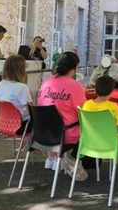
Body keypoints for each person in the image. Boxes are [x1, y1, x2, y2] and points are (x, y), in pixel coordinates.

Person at [36, 52, 88, 180]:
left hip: (43, 133)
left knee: (53, 118)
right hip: (65, 134)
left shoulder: (46, 83)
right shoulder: (75, 85)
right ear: (76, 68)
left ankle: (52, 158)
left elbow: (41, 106)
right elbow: (83, 111)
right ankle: (62, 160)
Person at [83, 76, 118, 169]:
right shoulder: (112, 107)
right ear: (112, 91)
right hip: (112, 143)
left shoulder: (87, 104)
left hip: (91, 142)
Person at [0, 55, 33, 135]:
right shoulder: (22, 87)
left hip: (4, 123)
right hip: (20, 126)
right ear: (21, 70)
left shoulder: (0, 84)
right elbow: (31, 110)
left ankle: (26, 146)